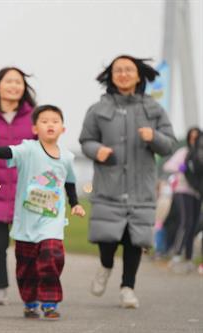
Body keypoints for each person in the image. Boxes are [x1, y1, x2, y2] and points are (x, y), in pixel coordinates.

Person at [79, 55, 176, 308]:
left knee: (135, 240)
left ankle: (127, 288)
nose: (123, 74)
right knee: (107, 237)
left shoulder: (153, 109)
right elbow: (86, 140)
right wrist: (95, 149)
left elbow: (169, 145)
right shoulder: (98, 108)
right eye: (118, 70)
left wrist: (154, 136)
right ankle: (105, 266)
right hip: (108, 184)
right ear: (111, 76)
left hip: (141, 186)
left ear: (139, 75)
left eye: (128, 70)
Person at [0, 104, 86, 319]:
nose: (50, 124)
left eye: (55, 121)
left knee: (52, 254)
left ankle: (50, 302)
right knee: (26, 265)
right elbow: (7, 151)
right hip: (26, 221)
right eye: (44, 121)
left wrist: (75, 204)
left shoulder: (67, 158)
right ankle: (30, 301)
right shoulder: (28, 149)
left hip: (52, 220)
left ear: (63, 129)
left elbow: (69, 183)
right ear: (35, 129)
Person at [0, 67, 36, 305]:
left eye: (18, 82)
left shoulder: (34, 116)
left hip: (28, 192)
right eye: (9, 81)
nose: (14, 86)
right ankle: (0, 287)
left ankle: (29, 289)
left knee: (28, 247)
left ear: (24, 88)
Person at [163, 127, 201, 273]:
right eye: (191, 136)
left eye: (196, 137)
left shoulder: (200, 154)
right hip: (183, 190)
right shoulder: (183, 152)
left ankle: (189, 257)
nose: (194, 139)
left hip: (197, 193)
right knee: (186, 223)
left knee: (194, 225)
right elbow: (168, 165)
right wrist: (181, 167)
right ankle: (177, 255)